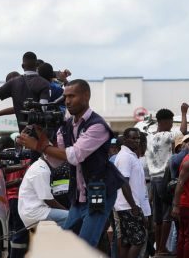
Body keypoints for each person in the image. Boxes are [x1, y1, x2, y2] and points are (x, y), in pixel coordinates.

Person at [19, 80, 122, 249]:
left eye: (72, 96)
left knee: (85, 244)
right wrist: (40, 137)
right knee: (67, 239)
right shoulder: (66, 126)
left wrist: (40, 145)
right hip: (79, 195)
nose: (67, 101)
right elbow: (56, 158)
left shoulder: (97, 126)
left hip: (99, 191)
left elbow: (74, 156)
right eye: (65, 97)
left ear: (86, 96)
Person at [146, 104, 188, 256]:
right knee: (167, 215)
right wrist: (184, 113)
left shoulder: (150, 137)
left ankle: (158, 248)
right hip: (164, 178)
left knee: (157, 216)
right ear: (165, 122)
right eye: (171, 122)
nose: (172, 125)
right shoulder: (166, 136)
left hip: (153, 179)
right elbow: (183, 131)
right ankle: (162, 248)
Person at [113, 129, 149, 258]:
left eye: (138, 139)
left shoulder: (132, 156)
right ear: (126, 139)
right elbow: (123, 182)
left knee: (128, 242)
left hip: (130, 204)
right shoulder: (125, 157)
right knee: (139, 239)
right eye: (133, 138)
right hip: (127, 205)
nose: (136, 141)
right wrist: (133, 206)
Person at [18, 156, 69, 229]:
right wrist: (66, 210)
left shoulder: (39, 165)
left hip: (32, 210)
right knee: (70, 218)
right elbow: (48, 199)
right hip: (36, 212)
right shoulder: (42, 170)